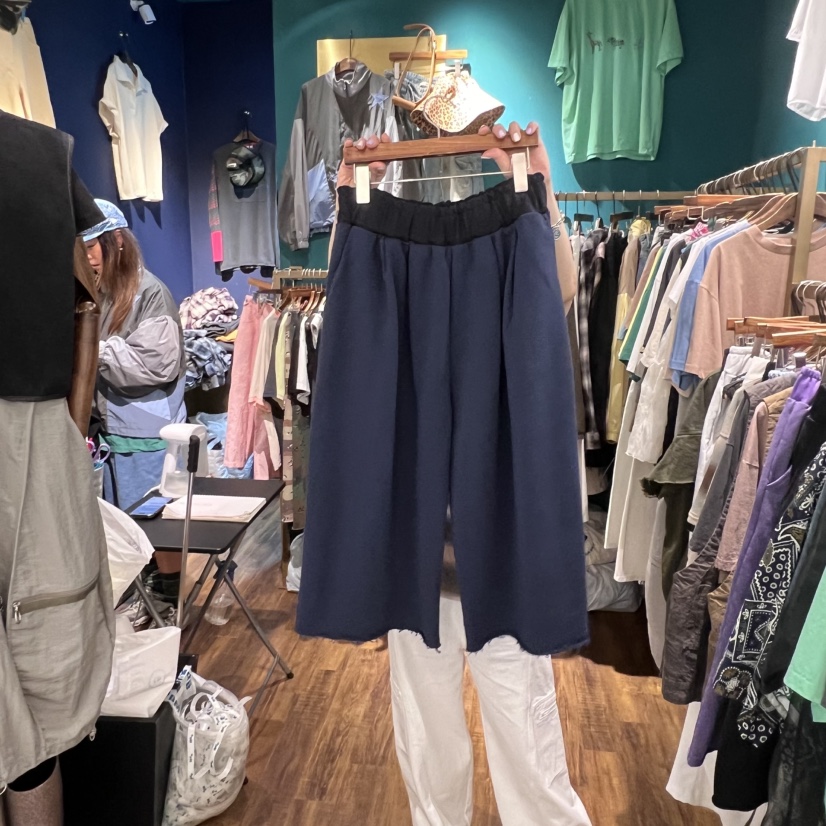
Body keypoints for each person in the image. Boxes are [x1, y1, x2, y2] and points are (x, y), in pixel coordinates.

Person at [341, 123, 591, 826]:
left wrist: (539, 193)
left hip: (502, 556)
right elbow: (350, 293)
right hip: (416, 563)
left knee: (527, 745)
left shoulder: (513, 240)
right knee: (428, 745)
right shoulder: (382, 253)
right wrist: (354, 198)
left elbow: (559, 290)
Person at [84, 199, 186, 603]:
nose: (87, 257)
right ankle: (147, 596)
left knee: (157, 521)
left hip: (149, 433)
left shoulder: (149, 292)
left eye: (92, 246)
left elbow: (156, 364)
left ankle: (169, 600)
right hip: (114, 432)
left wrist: (94, 350)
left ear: (117, 241)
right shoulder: (100, 290)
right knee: (128, 523)